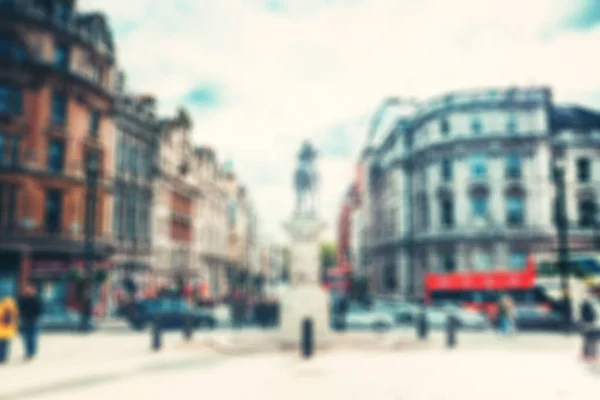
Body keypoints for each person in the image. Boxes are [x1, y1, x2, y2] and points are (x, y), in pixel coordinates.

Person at [17, 284, 43, 361]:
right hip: (24, 320)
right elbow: (19, 308)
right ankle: (28, 352)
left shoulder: (36, 299)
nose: (28, 290)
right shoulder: (23, 298)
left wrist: (36, 317)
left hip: (32, 320)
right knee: (25, 337)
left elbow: (39, 309)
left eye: (30, 289)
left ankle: (31, 353)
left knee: (31, 337)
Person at [579, 288, 598, 362]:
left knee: (593, 339)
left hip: (595, 323)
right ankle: (585, 354)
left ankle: (593, 354)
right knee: (587, 339)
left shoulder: (594, 303)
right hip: (587, 323)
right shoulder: (585, 304)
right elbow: (583, 314)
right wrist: (585, 322)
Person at [0, 291, 19, 364]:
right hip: (9, 330)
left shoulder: (1, 309)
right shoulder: (13, 309)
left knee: (1, 345)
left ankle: (1, 357)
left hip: (1, 330)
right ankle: (5, 357)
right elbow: (15, 319)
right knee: (6, 345)